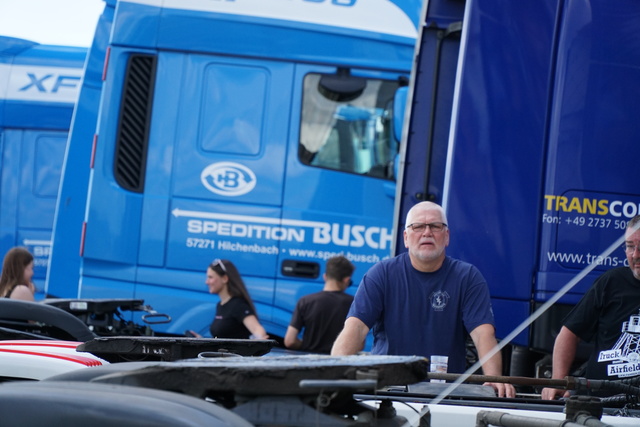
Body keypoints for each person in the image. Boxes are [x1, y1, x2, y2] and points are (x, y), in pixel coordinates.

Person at [330, 201, 515, 398]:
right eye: (418, 226)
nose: (427, 232)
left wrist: (495, 378)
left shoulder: (468, 277)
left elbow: (483, 334)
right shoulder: (381, 274)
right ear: (406, 238)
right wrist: (333, 375)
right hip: (386, 392)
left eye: (435, 226)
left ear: (447, 236)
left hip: (446, 395)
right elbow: (356, 328)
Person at [541, 215, 640, 400]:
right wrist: (558, 381)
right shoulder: (611, 282)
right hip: (598, 404)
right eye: (629, 246)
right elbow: (569, 333)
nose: (635, 255)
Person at [284, 255, 355, 354]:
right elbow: (358, 344)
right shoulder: (353, 304)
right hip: (339, 364)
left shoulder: (305, 301)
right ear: (346, 280)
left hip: (309, 362)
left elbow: (289, 341)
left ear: (325, 276)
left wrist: (307, 345)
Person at [190, 259, 268, 340]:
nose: (207, 282)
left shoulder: (238, 305)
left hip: (235, 353)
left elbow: (257, 329)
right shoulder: (220, 305)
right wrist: (201, 340)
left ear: (224, 278)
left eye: (210, 277)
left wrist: (259, 338)